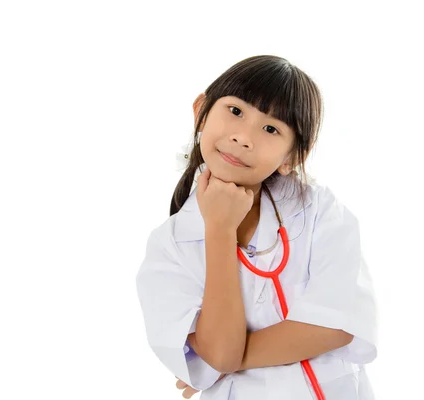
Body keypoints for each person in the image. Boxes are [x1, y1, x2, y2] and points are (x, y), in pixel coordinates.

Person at [135, 55, 378, 400]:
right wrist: (219, 229)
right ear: (201, 110)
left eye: (270, 129)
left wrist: (220, 361)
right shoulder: (169, 247)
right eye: (235, 111)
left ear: (293, 157)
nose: (243, 137)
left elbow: (336, 327)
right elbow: (220, 352)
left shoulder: (321, 211)